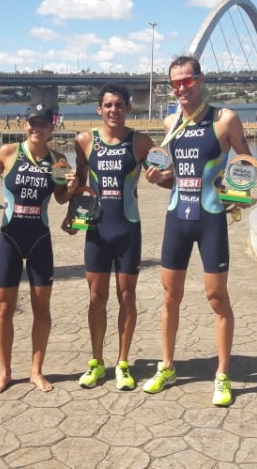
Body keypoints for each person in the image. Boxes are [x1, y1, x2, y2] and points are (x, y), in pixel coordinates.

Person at [143, 55, 253, 407]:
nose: (180, 89)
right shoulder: (171, 122)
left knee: (216, 297)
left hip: (210, 219)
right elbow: (175, 177)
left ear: (200, 80)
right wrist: (160, 179)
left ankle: (222, 374)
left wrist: (238, 194)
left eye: (187, 81)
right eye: (174, 83)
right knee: (169, 296)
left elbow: (245, 162)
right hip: (177, 218)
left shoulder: (224, 119)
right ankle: (168, 366)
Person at [0, 103, 77, 394]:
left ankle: (36, 371)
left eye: (43, 124)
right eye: (32, 123)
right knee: (5, 308)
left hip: (40, 239)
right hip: (9, 238)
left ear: (53, 126)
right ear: (23, 125)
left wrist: (74, 185)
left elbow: (62, 199)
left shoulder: (59, 160)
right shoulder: (7, 153)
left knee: (42, 310)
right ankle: (4, 372)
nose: (37, 128)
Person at [63, 83, 154, 390]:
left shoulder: (141, 142)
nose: (113, 109)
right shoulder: (84, 140)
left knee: (126, 297)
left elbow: (165, 174)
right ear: (99, 109)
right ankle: (97, 362)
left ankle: (123, 363)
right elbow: (80, 183)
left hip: (128, 229)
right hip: (97, 231)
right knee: (95, 298)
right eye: (108, 105)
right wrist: (71, 215)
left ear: (128, 108)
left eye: (119, 104)